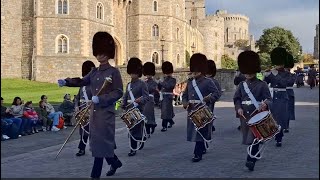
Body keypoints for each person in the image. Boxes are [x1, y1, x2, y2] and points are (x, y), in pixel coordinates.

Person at [58, 31, 123, 178]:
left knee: (100, 146)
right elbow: (81, 81)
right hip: (94, 114)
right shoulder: (94, 72)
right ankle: (115, 162)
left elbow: (118, 92)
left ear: (108, 53)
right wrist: (67, 81)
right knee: (99, 145)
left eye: (103, 53)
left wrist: (102, 99)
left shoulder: (114, 72)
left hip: (106, 114)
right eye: (98, 53)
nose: (100, 56)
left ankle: (95, 176)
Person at [233, 50, 272, 171]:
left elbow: (269, 99)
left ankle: (250, 160)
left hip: (257, 114)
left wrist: (265, 104)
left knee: (254, 139)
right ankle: (255, 154)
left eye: (250, 73)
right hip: (245, 115)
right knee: (250, 138)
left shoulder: (262, 85)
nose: (248, 75)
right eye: (246, 73)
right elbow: (237, 98)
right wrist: (238, 108)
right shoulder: (241, 85)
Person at [182, 53, 220, 162]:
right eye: (193, 71)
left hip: (203, 109)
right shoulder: (190, 82)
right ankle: (202, 145)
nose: (194, 73)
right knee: (196, 130)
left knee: (200, 130)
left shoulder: (208, 81)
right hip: (192, 110)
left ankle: (197, 153)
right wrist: (185, 103)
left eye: (196, 71)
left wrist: (208, 99)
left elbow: (216, 94)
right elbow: (185, 95)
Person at [121, 57, 149, 156]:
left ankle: (137, 143)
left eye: (135, 73)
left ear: (138, 73)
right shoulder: (128, 85)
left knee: (136, 128)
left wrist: (139, 100)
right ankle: (134, 146)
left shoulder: (142, 84)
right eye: (132, 73)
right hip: (129, 109)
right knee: (131, 128)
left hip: (138, 109)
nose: (133, 75)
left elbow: (146, 97)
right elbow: (125, 96)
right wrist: (123, 104)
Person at [264, 47, 291, 147]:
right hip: (271, 96)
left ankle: (279, 138)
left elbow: (285, 83)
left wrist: (275, 75)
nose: (278, 65)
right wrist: (264, 75)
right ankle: (270, 134)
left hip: (282, 97)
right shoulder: (271, 72)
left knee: (279, 119)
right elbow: (263, 83)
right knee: (270, 117)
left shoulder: (288, 74)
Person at [74, 60, 96, 157]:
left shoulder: (94, 84)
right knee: (82, 130)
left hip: (91, 110)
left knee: (91, 131)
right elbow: (77, 98)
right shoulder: (82, 85)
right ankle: (81, 148)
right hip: (82, 110)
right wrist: (76, 107)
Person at [158, 61, 176, 132]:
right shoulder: (164, 79)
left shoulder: (173, 80)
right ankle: (171, 121)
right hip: (163, 96)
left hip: (168, 96)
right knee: (165, 111)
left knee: (165, 111)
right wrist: (159, 83)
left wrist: (162, 83)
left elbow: (169, 86)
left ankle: (164, 126)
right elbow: (160, 88)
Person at [205, 60, 222, 131]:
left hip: (209, 101)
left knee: (208, 113)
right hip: (201, 101)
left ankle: (209, 125)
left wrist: (211, 98)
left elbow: (218, 93)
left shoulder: (214, 81)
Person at [143, 62, 158, 137]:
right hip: (144, 100)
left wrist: (144, 85)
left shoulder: (154, 82)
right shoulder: (144, 82)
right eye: (147, 74)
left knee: (149, 115)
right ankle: (147, 130)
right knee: (145, 116)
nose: (148, 75)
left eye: (149, 74)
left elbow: (151, 89)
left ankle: (151, 126)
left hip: (150, 100)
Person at [284, 53, 296, 133]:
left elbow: (289, 82)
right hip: (279, 94)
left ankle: (286, 126)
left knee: (288, 110)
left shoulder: (292, 75)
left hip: (289, 93)